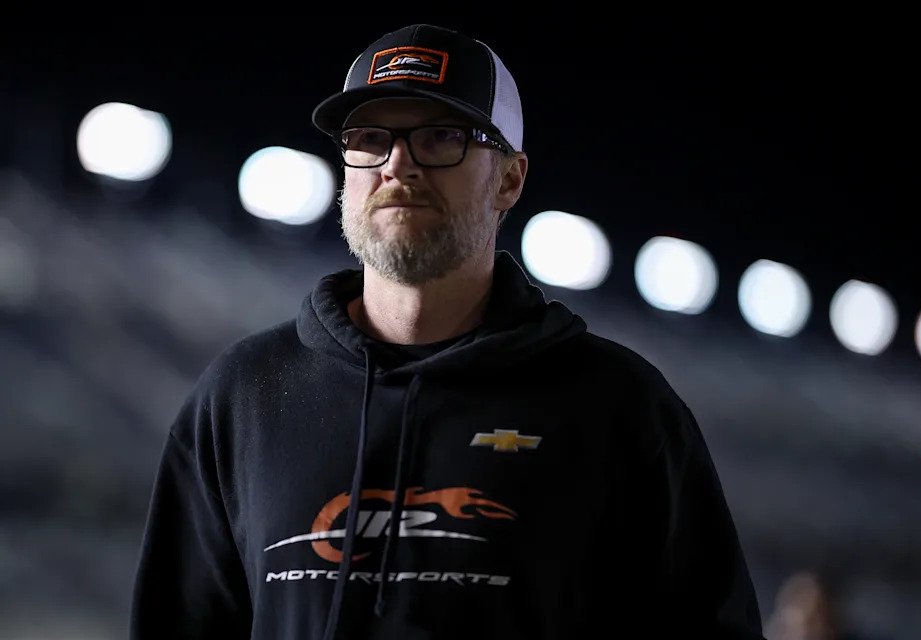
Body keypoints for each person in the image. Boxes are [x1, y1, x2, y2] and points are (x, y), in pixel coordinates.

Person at [130, 23, 766, 640]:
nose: (398, 163)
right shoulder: (244, 396)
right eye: (370, 138)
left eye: (441, 137)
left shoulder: (619, 407)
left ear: (510, 180)